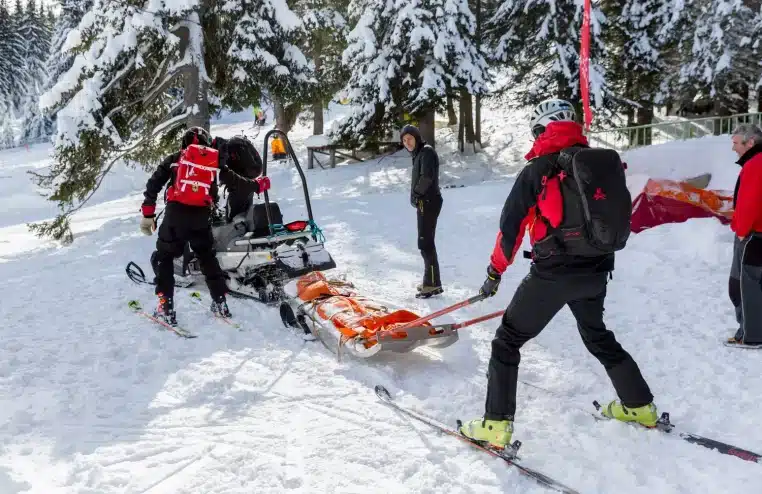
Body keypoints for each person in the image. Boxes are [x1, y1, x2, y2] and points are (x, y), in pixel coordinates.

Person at [458, 99, 657, 448]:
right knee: (597, 335)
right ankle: (639, 406)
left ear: (541, 129)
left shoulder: (539, 169)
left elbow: (510, 228)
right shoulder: (597, 165)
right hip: (596, 271)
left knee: (507, 341)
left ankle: (495, 425)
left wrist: (495, 272)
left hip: (553, 274)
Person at [139, 127, 271, 326]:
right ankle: (220, 303)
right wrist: (257, 186)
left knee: (165, 256)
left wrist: (148, 215)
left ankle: (165, 307)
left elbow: (153, 185)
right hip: (201, 216)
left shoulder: (175, 158)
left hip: (176, 214)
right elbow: (236, 181)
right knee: (207, 257)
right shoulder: (214, 159)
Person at [727, 123, 762, 347]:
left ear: (751, 143)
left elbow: (750, 201)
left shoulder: (755, 164)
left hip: (753, 236)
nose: (733, 148)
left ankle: (751, 336)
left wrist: (741, 231)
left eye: (736, 143)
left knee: (742, 286)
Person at [400, 124, 443, 298]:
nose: (407, 142)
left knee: (425, 242)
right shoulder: (419, 154)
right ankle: (432, 281)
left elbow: (427, 177)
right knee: (425, 241)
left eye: (409, 138)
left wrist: (417, 194)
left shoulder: (426, 152)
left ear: (416, 137)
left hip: (428, 201)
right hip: (426, 201)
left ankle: (431, 284)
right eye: (404, 140)